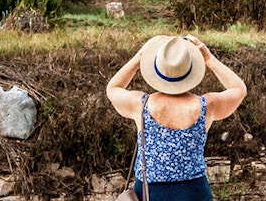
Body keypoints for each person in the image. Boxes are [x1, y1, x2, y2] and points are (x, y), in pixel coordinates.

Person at [106, 35, 247, 201]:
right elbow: (239, 89)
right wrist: (209, 58)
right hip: (194, 192)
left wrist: (139, 57)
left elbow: (113, 88)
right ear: (191, 69)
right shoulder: (206, 105)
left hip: (150, 192)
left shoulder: (141, 104)